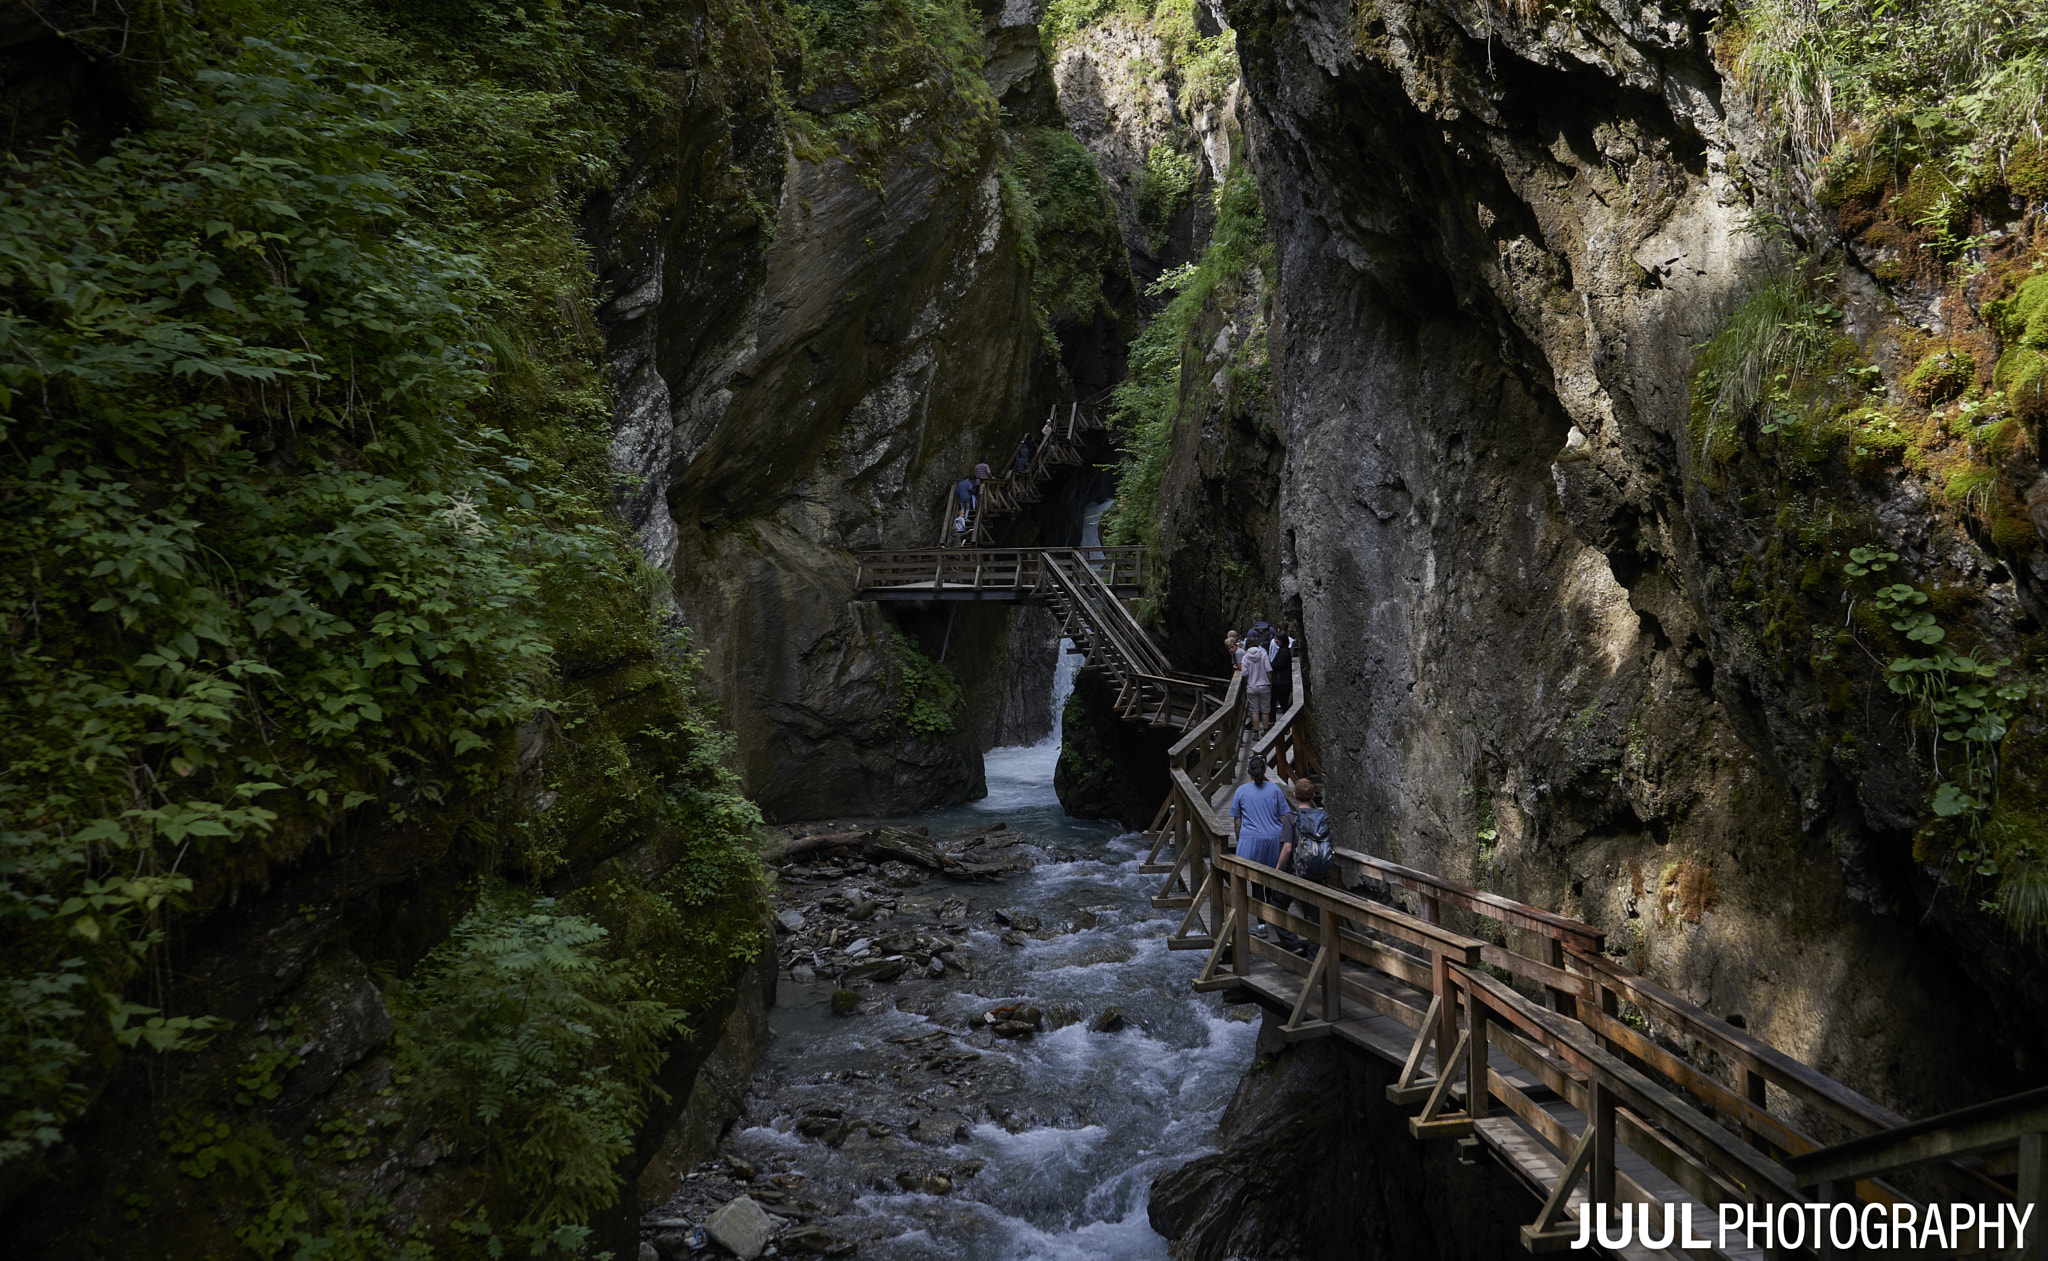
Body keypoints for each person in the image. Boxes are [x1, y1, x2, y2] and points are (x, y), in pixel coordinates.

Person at [1230, 756, 1292, 938]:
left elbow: (1237, 823)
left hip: (1252, 841)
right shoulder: (1275, 789)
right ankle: (1274, 919)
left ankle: (1262, 925)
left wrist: (1240, 840)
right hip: (1274, 839)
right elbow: (1284, 817)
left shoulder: (1241, 791)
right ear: (1264, 770)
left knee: (1256, 883)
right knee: (1272, 879)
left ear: (1249, 771)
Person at [1277, 778, 1331, 936]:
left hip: (1295, 872)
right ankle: (1315, 955)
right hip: (1317, 872)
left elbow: (1287, 848)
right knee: (1314, 917)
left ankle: (1293, 944)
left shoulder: (1291, 817)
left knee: (1276, 908)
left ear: (1294, 795)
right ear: (1314, 795)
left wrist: (1278, 869)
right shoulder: (1323, 817)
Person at [1240, 636, 1272, 735]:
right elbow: (1269, 670)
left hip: (1251, 686)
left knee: (1254, 710)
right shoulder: (1263, 655)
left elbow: (1244, 673)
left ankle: (1256, 732)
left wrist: (1247, 682)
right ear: (1257, 644)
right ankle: (1266, 730)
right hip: (1264, 685)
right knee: (1265, 710)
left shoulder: (1245, 657)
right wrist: (1270, 682)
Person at [1268, 624, 1294, 716]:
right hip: (1282, 682)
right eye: (1275, 639)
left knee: (1276, 703)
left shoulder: (1284, 651)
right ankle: (1281, 724)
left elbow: (1278, 665)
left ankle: (1274, 723)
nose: (1276, 641)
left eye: (1278, 639)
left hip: (1280, 682)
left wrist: (1268, 663)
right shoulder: (1283, 650)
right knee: (1282, 704)